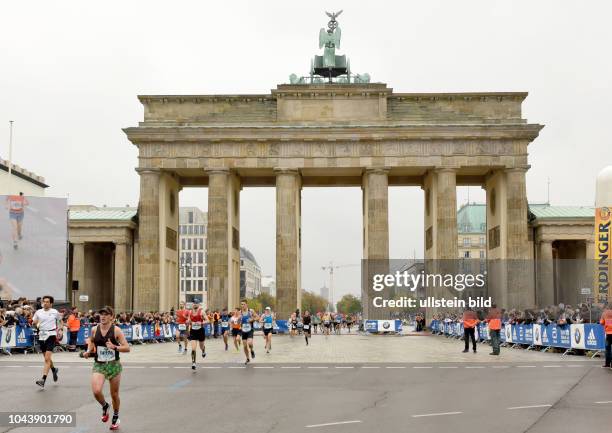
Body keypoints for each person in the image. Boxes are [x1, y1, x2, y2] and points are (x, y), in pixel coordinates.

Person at [81, 306, 130, 431]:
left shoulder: (116, 330)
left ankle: (115, 416)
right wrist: (88, 351)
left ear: (111, 317)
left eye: (106, 314)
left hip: (113, 365)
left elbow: (127, 348)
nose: (102, 316)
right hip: (99, 364)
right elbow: (92, 341)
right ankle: (105, 406)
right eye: (101, 314)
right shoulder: (94, 329)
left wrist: (114, 347)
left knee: (114, 394)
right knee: (96, 391)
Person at [33, 295, 63, 388]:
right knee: (47, 358)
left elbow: (60, 321)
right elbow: (34, 322)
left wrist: (60, 329)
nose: (45, 303)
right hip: (41, 335)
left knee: (46, 359)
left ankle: (43, 379)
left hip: (51, 335)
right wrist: (35, 324)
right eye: (44, 301)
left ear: (51, 303)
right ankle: (54, 370)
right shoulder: (38, 312)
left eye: (47, 302)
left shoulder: (54, 312)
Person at [187, 301, 208, 370]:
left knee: (201, 346)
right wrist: (188, 322)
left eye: (196, 303)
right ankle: (193, 363)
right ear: (192, 305)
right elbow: (189, 320)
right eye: (194, 303)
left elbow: (207, 320)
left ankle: (203, 350)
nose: (195, 304)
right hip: (193, 331)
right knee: (193, 348)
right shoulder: (190, 312)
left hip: (200, 331)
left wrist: (202, 322)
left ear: (198, 305)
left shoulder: (202, 312)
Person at [240, 300, 258, 364]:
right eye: (241, 304)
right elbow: (238, 320)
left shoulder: (251, 311)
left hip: (250, 330)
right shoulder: (240, 312)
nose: (242, 306)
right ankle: (247, 358)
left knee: (250, 343)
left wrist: (252, 319)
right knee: (244, 346)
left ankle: (252, 350)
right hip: (243, 330)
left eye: (244, 304)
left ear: (246, 305)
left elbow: (257, 317)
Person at [600, 304, 612, 369]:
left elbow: (601, 322)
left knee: (608, 349)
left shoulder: (604, 313)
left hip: (608, 333)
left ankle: (607, 364)